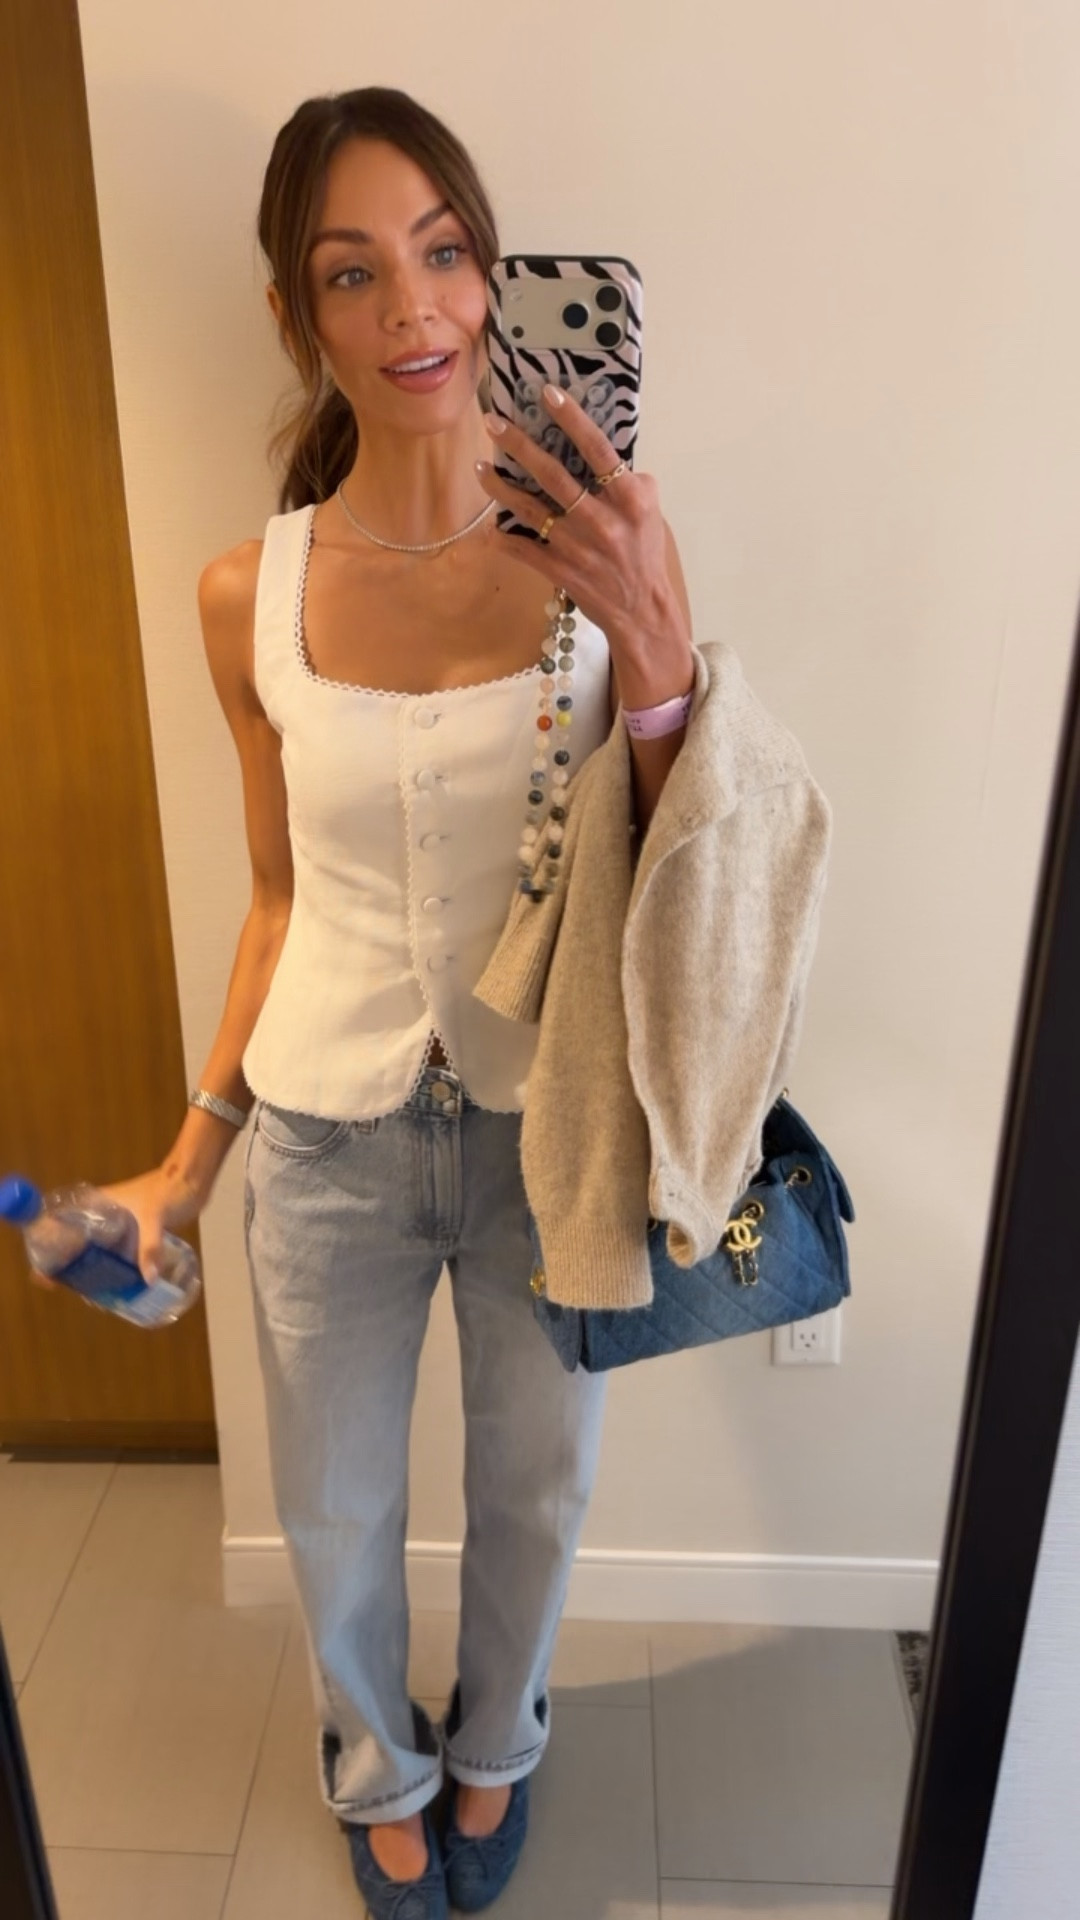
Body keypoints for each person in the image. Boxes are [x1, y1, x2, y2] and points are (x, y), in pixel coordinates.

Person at [106, 86, 698, 1920]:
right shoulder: (248, 594)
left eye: (444, 254)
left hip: (551, 1127)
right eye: (353, 272)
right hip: (326, 1142)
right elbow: (277, 900)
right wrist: (186, 1165)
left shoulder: (601, 548)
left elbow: (683, 862)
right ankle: (379, 1767)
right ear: (298, 312)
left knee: (537, 1486)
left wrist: (661, 658)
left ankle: (499, 1744)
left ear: (494, 273)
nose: (412, 308)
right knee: (339, 1507)